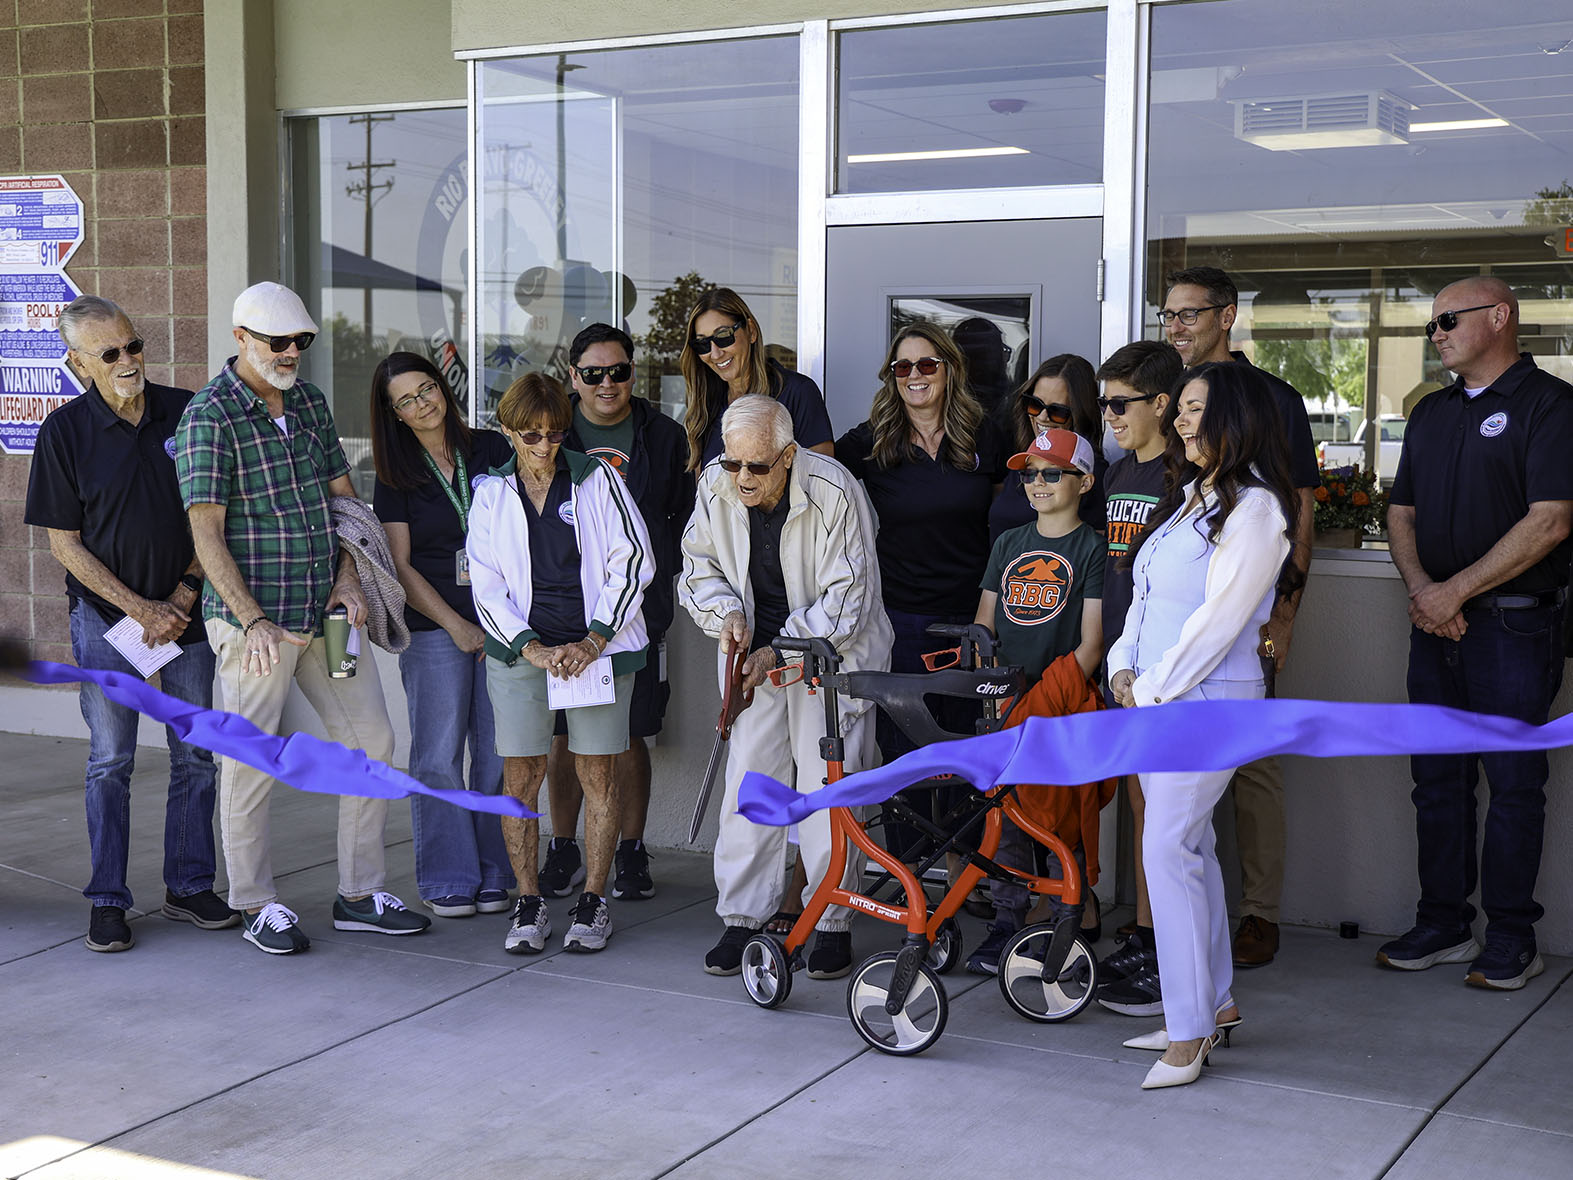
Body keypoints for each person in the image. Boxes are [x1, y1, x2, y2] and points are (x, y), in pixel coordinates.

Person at [176, 280, 430, 954]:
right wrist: (251, 620)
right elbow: (206, 536)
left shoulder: (311, 404)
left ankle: (359, 892)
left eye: (301, 342)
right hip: (256, 627)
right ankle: (256, 902)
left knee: (372, 741)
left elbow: (343, 506)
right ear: (241, 339)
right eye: (277, 341)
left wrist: (348, 581)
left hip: (329, 617)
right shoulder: (209, 416)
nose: (291, 352)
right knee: (251, 761)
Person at [1107, 362, 1301, 1089]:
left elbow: (1218, 624)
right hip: (1160, 703)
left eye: (1194, 410)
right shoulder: (1190, 499)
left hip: (1209, 706)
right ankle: (1211, 1005)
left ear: (1234, 417)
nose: (1181, 421)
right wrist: (1123, 669)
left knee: (1166, 848)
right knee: (1183, 847)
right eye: (1180, 410)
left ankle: (1187, 1031)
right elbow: (1144, 599)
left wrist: (1150, 687)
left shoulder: (1256, 509)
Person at [24, 295, 235, 952]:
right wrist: (142, 609)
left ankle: (189, 886)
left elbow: (215, 514)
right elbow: (65, 543)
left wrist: (184, 592)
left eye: (134, 345)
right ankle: (108, 898)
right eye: (110, 353)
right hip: (108, 628)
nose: (128, 361)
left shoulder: (188, 411)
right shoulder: (64, 433)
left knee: (196, 758)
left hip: (189, 621)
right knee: (111, 760)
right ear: (78, 362)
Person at [1380, 276, 1573, 990]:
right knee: (1436, 778)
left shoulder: (1548, 405)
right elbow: (1399, 515)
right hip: (1435, 628)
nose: (1435, 334)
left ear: (1498, 318)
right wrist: (1424, 595)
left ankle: (1512, 937)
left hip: (1514, 630)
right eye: (1429, 325)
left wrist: (1451, 592)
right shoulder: (1428, 413)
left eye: (1447, 320)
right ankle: (1443, 924)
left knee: (1513, 783)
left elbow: (1550, 519)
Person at [680, 394, 893, 980]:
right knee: (751, 781)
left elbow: (849, 599)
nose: (742, 478)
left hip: (829, 654)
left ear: (788, 455)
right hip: (754, 654)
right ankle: (743, 917)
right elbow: (697, 568)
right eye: (733, 464)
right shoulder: (715, 482)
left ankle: (830, 920)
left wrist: (781, 647)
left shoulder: (834, 489)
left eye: (757, 466)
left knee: (829, 786)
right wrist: (726, 616)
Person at [1160, 265, 1319, 967]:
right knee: (1174, 812)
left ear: (1226, 316)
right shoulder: (1173, 395)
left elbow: (1299, 508)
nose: (1175, 328)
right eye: (1166, 315)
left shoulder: (1271, 399)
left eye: (1188, 314)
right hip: (1173, 622)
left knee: (1248, 764)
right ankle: (1184, 927)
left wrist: (1282, 615)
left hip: (1240, 619)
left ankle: (1258, 913)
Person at [467, 372, 654, 956]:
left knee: (598, 774)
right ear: (506, 431)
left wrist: (595, 641)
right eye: (530, 435)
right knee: (520, 779)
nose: (544, 446)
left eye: (553, 434)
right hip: (523, 653)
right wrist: (532, 648)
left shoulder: (600, 479)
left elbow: (634, 561)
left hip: (597, 652)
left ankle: (593, 899)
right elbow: (486, 584)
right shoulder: (491, 493)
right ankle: (528, 900)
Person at [834, 323, 1005, 884]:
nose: (913, 377)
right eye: (901, 368)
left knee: (968, 756)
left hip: (976, 622)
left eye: (926, 365)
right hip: (902, 621)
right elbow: (815, 484)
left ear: (950, 369)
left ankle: (963, 872)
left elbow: (1025, 516)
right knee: (904, 754)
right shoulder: (871, 442)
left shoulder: (988, 436)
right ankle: (911, 878)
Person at [540, 324, 695, 903]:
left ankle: (632, 850)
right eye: (594, 374)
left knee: (629, 736)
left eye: (620, 371)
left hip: (637, 616)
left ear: (634, 373)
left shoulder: (664, 436)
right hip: (561, 614)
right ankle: (562, 847)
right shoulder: (554, 432)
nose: (608, 384)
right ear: (573, 377)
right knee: (564, 736)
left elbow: (684, 517)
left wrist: (658, 579)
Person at [369, 351, 516, 919]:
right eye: (405, 400)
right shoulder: (395, 473)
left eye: (426, 389)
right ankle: (448, 875)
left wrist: (500, 624)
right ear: (394, 414)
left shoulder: (492, 449)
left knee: (498, 754)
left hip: (506, 625)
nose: (421, 403)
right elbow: (400, 566)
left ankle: (498, 871)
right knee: (436, 754)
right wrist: (456, 625)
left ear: (442, 386)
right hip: (436, 628)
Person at [966, 427, 1105, 975]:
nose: (1038, 483)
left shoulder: (1090, 547)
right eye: (1029, 473)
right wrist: (993, 686)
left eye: (1052, 472)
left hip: (1060, 706)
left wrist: (1047, 698)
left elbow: (1092, 643)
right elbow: (984, 621)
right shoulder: (1009, 543)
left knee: (1059, 816)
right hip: (1003, 704)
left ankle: (1065, 920)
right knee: (1005, 813)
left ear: (1084, 481)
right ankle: (1007, 920)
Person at [1085, 340, 1187, 1015]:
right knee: (1139, 809)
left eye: (1120, 403)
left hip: (1168, 674)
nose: (1109, 416)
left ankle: (1166, 953)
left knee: (1168, 822)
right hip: (1123, 667)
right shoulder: (1119, 472)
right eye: (1103, 404)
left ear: (1161, 403)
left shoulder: (1186, 479)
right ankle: (1147, 934)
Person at [679, 287, 835, 471]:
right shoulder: (705, 404)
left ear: (751, 331)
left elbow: (823, 482)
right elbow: (703, 495)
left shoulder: (797, 392)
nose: (715, 353)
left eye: (723, 336)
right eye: (702, 343)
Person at [988, 354, 1107, 541]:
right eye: (1035, 404)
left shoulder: (1091, 473)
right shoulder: (1022, 461)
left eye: (1057, 411)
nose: (1042, 417)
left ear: (1080, 413)